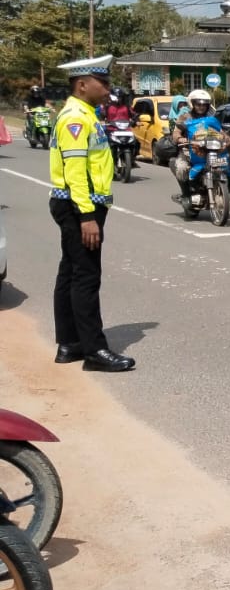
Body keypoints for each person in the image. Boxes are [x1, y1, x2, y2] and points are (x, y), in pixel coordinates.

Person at [48, 56, 134, 372]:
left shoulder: (86, 114)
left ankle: (69, 343)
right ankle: (94, 350)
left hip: (76, 203)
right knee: (86, 276)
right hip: (79, 205)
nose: (108, 88)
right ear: (83, 84)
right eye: (103, 82)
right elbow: (75, 170)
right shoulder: (76, 118)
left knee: (70, 272)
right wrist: (86, 216)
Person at [171, 88, 229, 204]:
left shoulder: (211, 119)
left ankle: (224, 190)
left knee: (227, 164)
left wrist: (228, 138)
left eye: (204, 105)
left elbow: (220, 132)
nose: (201, 107)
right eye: (198, 104)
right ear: (192, 104)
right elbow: (176, 132)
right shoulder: (185, 117)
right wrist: (180, 138)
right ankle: (186, 195)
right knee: (182, 169)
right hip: (190, 152)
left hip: (210, 151)